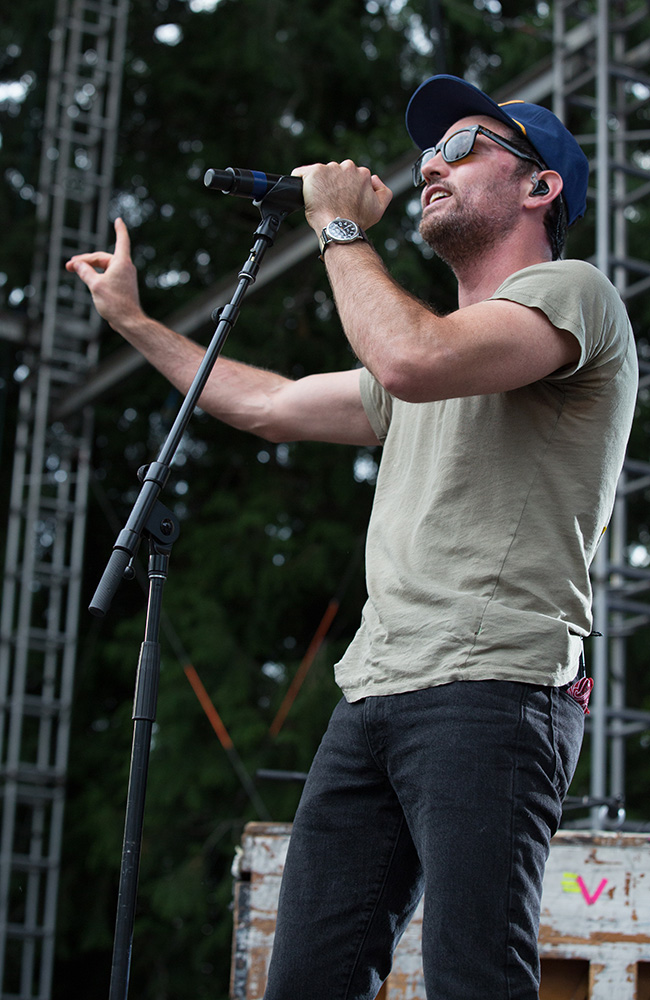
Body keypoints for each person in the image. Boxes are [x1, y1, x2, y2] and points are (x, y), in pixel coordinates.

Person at [67, 74, 638, 999]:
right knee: (308, 981)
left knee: (475, 980)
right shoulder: (429, 349)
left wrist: (337, 227)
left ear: (541, 187)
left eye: (463, 147)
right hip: (374, 691)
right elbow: (268, 403)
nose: (431, 165)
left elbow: (410, 359)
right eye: (429, 152)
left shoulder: (573, 294)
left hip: (493, 685)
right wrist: (133, 321)